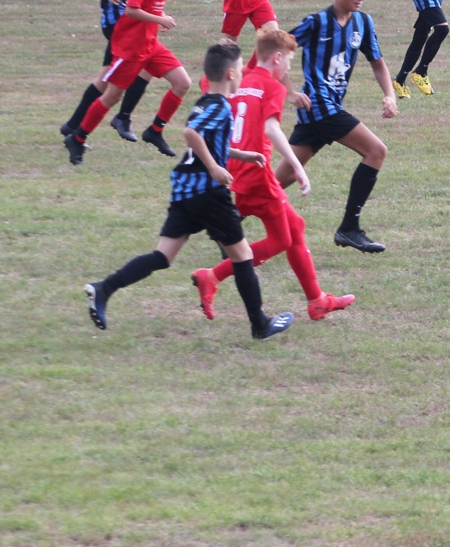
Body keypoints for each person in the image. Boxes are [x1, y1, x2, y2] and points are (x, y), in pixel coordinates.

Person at [84, 40, 295, 340]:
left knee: (163, 256)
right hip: (207, 192)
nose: (241, 74)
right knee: (243, 255)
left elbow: (208, 141)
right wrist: (214, 168)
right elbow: (191, 133)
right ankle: (260, 324)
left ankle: (104, 289)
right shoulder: (220, 106)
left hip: (184, 189)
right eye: (239, 69)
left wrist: (242, 155)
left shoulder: (205, 102)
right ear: (231, 74)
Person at [190, 27, 355, 323]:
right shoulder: (272, 87)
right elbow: (270, 128)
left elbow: (211, 90)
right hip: (258, 174)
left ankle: (317, 301)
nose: (289, 68)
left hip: (237, 168)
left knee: (296, 226)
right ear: (277, 58)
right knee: (280, 240)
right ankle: (211, 276)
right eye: (289, 61)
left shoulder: (241, 79)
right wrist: (297, 166)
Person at [276, 0, 398, 253]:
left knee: (285, 176)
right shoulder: (317, 22)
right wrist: (290, 92)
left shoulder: (363, 23)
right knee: (376, 151)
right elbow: (276, 50)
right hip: (320, 105)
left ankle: (231, 218)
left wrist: (389, 94)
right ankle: (349, 228)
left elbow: (377, 63)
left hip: (321, 111)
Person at [64, 0, 193, 165]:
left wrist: (160, 17)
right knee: (112, 96)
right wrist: (160, 20)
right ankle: (78, 138)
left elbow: (151, 5)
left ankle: (155, 130)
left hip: (150, 45)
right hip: (131, 48)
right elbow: (131, 10)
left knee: (183, 83)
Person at [61, 0, 152, 142]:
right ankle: (122, 118)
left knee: (105, 77)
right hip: (116, 24)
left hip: (138, 27)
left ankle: (73, 125)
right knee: (143, 68)